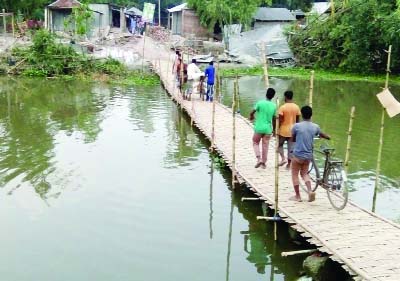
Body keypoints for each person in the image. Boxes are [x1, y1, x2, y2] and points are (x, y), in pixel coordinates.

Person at [291, 106, 330, 202]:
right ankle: (309, 191)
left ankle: (298, 196)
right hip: (308, 156)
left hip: (297, 155)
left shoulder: (296, 126)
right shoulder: (315, 127)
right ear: (311, 115)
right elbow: (321, 134)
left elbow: (293, 138)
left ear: (302, 114)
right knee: (304, 173)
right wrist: (327, 137)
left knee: (295, 174)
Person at [249, 88, 277, 169]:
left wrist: (251, 116)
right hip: (268, 129)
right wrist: (274, 130)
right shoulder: (274, 106)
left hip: (259, 127)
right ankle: (264, 163)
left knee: (255, 142)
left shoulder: (260, 103)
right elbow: (274, 119)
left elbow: (252, 111)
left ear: (266, 94)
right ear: (273, 96)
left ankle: (259, 159)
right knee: (265, 146)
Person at [278, 90, 300, 169]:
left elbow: (280, 120)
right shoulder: (296, 107)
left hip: (283, 130)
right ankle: (289, 164)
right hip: (293, 130)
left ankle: (283, 158)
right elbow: (298, 120)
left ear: (285, 97)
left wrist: (277, 129)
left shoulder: (283, 107)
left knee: (279, 144)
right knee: (291, 148)